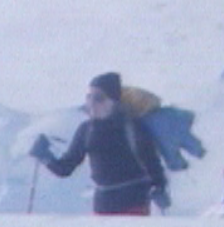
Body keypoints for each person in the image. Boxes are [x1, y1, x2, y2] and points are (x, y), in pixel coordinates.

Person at [30, 72, 169, 215]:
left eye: (98, 98)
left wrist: (160, 188)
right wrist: (44, 155)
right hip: (103, 206)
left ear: (113, 101)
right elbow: (65, 168)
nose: (91, 103)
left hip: (134, 204)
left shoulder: (132, 128)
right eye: (89, 97)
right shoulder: (86, 130)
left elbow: (153, 165)